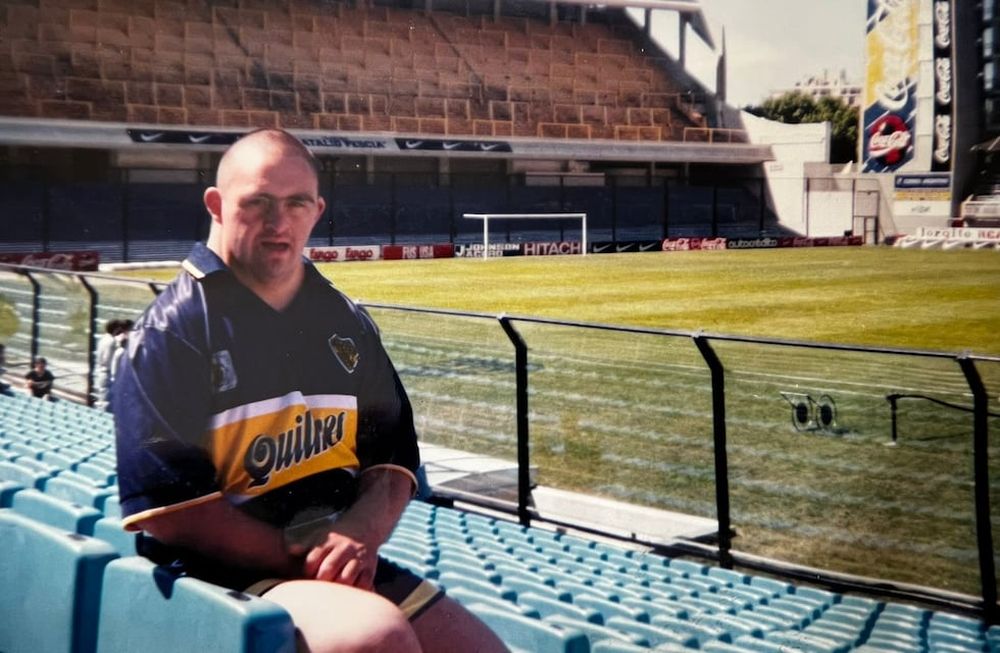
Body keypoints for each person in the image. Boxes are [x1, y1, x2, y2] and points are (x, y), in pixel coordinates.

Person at [112, 128, 508, 653]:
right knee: (377, 639)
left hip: (329, 560)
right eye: (258, 202)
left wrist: (357, 537)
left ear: (317, 210)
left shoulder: (344, 318)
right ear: (216, 204)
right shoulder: (172, 332)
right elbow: (174, 514)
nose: (279, 222)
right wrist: (305, 554)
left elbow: (391, 462)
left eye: (296, 203)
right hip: (218, 576)